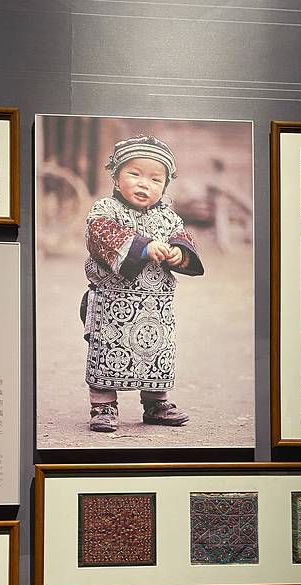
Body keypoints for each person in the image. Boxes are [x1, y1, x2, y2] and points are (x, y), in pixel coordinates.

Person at [81, 135, 204, 432]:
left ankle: (156, 403)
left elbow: (184, 240)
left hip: (155, 307)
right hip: (113, 304)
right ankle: (103, 405)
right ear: (115, 176)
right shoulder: (105, 210)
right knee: (108, 348)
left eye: (155, 179)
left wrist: (179, 254)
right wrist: (144, 247)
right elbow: (99, 235)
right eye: (134, 174)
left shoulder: (169, 218)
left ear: (165, 185)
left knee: (156, 351)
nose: (144, 184)